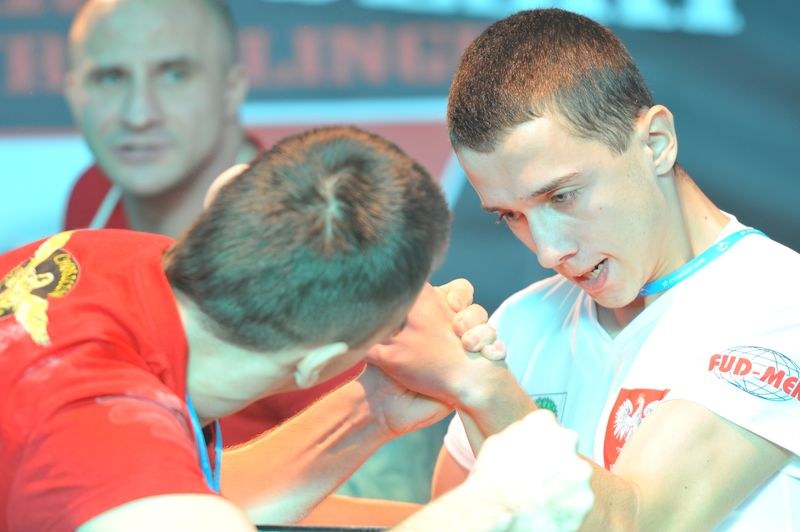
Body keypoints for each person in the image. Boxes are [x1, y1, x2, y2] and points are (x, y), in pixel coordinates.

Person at [0, 126, 594, 531]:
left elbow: (194, 491)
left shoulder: (95, 255)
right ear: (317, 365)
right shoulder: (110, 446)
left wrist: (374, 406)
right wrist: (492, 508)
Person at [425, 8, 800, 530]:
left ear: (656, 143)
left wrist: (485, 391)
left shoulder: (781, 302)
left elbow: (641, 522)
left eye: (562, 196)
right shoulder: (521, 323)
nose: (547, 251)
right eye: (511, 215)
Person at [61, 0, 363, 448]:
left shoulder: (307, 239)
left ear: (232, 88)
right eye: (110, 77)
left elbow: (377, 460)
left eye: (174, 74)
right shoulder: (92, 196)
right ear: (73, 92)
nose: (138, 114)